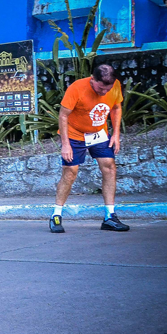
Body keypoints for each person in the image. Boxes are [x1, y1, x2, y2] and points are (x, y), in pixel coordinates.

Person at [50, 63, 128, 233]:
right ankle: (56, 215)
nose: (103, 93)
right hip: (74, 133)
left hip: (98, 133)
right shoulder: (77, 88)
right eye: (100, 89)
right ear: (93, 79)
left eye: (107, 90)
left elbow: (116, 107)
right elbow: (63, 115)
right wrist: (65, 144)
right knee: (70, 172)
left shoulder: (114, 86)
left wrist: (115, 134)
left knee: (109, 167)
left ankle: (110, 216)